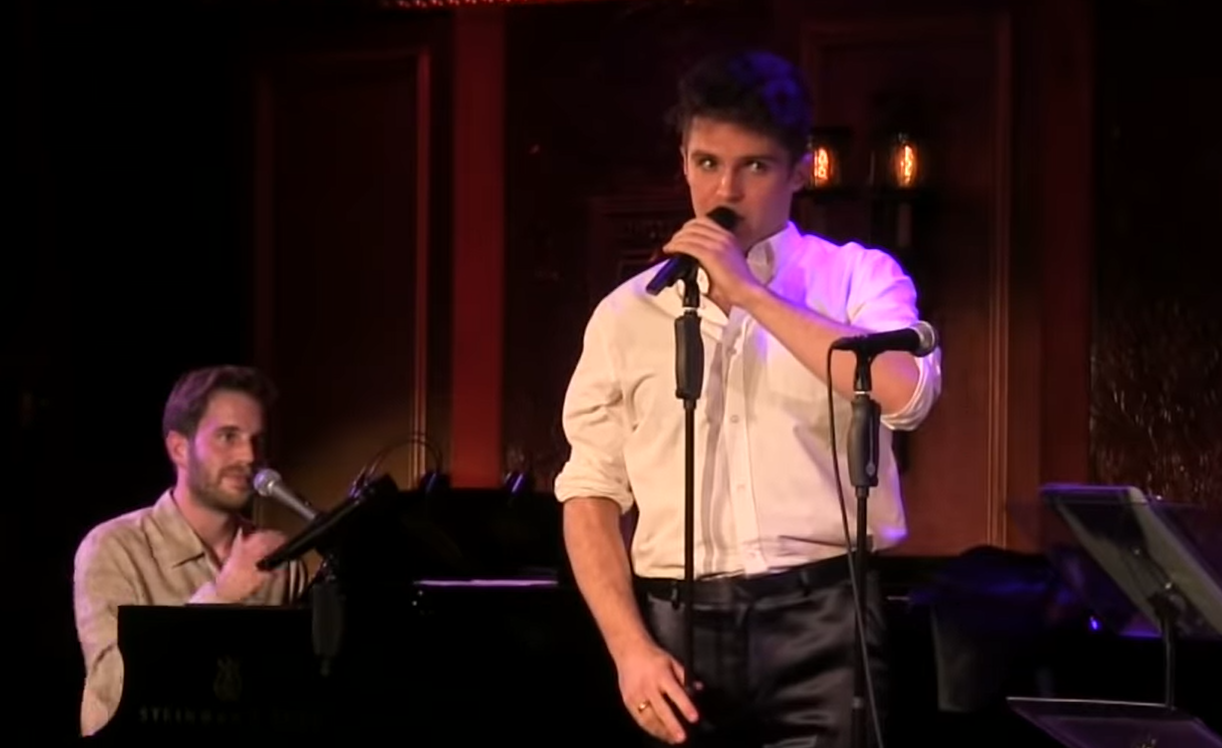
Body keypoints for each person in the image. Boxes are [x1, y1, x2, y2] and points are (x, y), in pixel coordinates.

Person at [554, 49, 942, 747]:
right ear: (683, 162)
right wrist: (628, 649)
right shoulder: (626, 314)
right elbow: (589, 493)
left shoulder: (855, 278)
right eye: (707, 163)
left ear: (799, 171)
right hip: (677, 628)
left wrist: (750, 293)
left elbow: (905, 393)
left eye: (754, 166)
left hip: (825, 620)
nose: (724, 190)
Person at [72, 365, 309, 736]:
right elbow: (112, 697)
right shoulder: (115, 547)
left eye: (258, 440)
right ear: (179, 448)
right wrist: (222, 597)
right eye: (228, 437)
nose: (249, 456)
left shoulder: (282, 562)